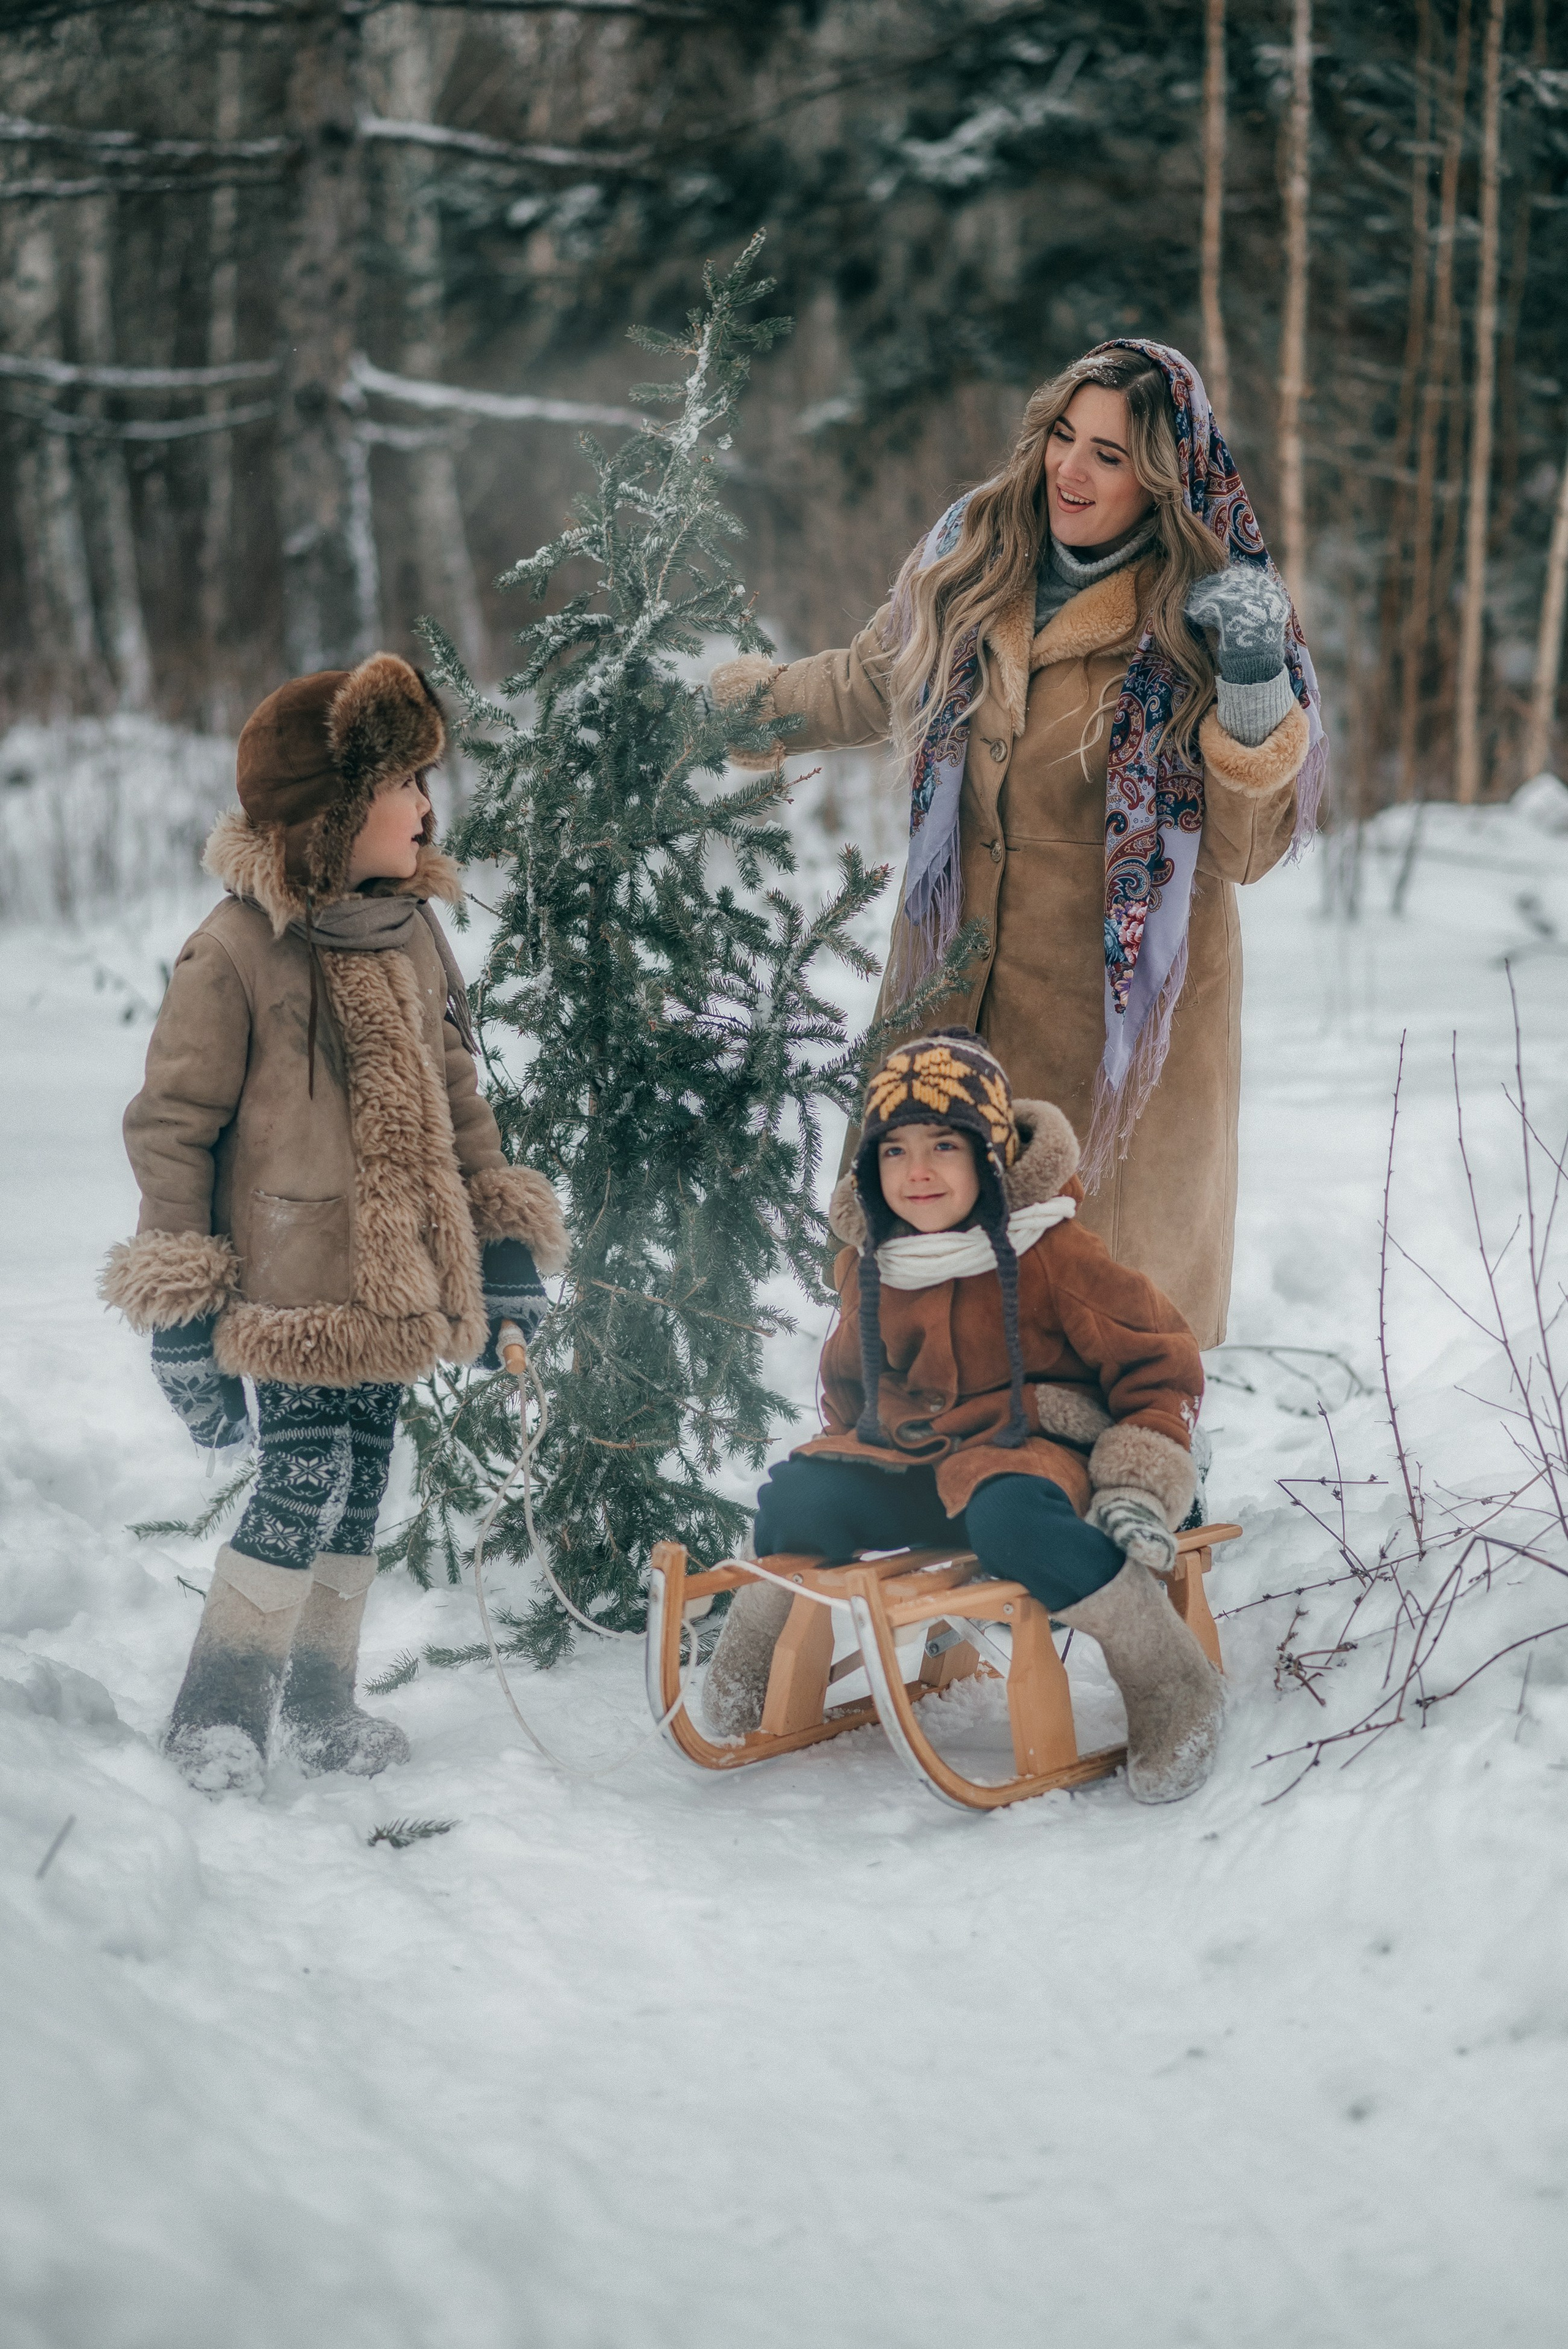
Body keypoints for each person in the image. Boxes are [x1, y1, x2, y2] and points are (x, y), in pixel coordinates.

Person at [710, 341, 1326, 1348]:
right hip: (954, 979)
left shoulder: (1207, 610)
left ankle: (1133, 1454)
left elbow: (1251, 849)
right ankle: (929, 1448)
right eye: (1062, 438)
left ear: (1164, 480)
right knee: (928, 1261)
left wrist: (1255, 682)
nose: (1070, 472)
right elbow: (874, 679)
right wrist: (744, 715)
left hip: (1111, 1022)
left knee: (1096, 1296)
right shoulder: (975, 553)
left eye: (1111, 457)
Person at [100, 652, 568, 1795]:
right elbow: (174, 1127)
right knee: (300, 1476)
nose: (425, 806)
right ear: (336, 812)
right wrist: (179, 1303)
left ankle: (320, 1701)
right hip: (291, 1283)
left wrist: (502, 1243)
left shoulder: (410, 934)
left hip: (398, 1281)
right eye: (404, 785)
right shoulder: (236, 951)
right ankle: (218, 1711)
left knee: (363, 1481)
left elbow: (461, 1099)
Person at [703, 1028, 1224, 1804]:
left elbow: (1161, 1359)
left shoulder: (1052, 1252)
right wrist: (844, 1452)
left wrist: (1136, 1476)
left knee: (1009, 1520)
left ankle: (1165, 1675)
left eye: (943, 1146)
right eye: (894, 1150)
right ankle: (754, 1641)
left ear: (988, 1153)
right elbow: (847, 1380)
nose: (916, 1172)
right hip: (916, 1459)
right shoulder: (873, 1263)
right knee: (798, 1494)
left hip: (1028, 1454)